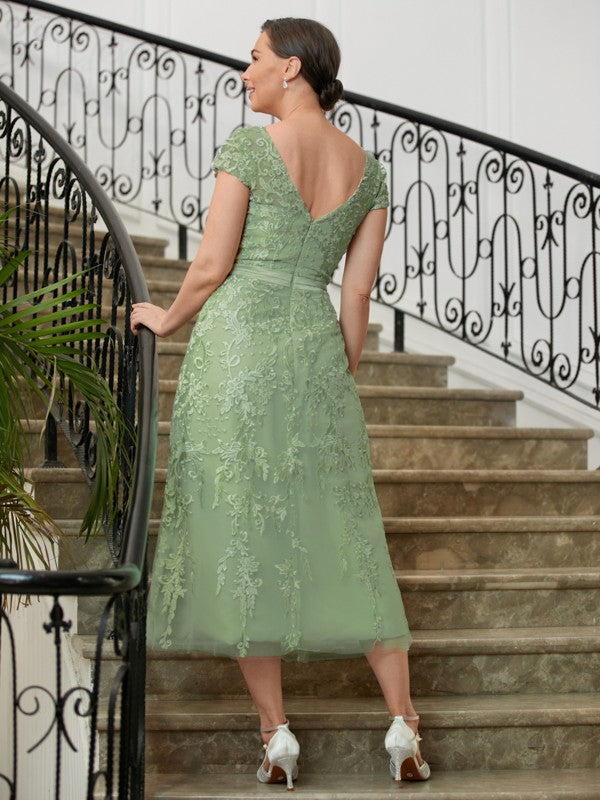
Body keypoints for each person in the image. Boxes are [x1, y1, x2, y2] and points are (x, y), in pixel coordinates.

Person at [130, 16, 430, 790]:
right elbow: (356, 296)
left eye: (255, 57)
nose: (246, 71)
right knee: (349, 531)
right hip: (314, 349)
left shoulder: (251, 148)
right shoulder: (368, 172)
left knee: (243, 532)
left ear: (291, 68)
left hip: (237, 349)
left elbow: (210, 265)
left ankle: (277, 734)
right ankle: (403, 723)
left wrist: (165, 319)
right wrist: (339, 369)